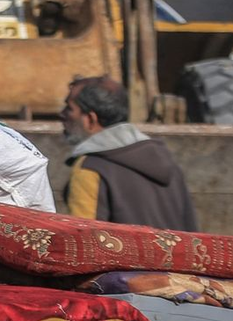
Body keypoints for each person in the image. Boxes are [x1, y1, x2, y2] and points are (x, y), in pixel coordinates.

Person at [61, 76, 197, 231]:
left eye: (69, 108)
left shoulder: (90, 169)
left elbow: (82, 238)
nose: (62, 114)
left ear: (91, 119)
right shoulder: (167, 162)